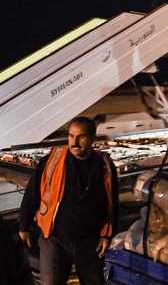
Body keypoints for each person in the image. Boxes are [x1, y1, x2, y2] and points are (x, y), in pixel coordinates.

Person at [19, 117, 119, 285]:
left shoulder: (104, 165)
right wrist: (24, 226)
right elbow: (32, 193)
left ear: (93, 138)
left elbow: (112, 201)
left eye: (81, 137)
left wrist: (108, 234)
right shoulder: (52, 161)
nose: (75, 142)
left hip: (90, 243)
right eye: (71, 136)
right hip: (55, 240)